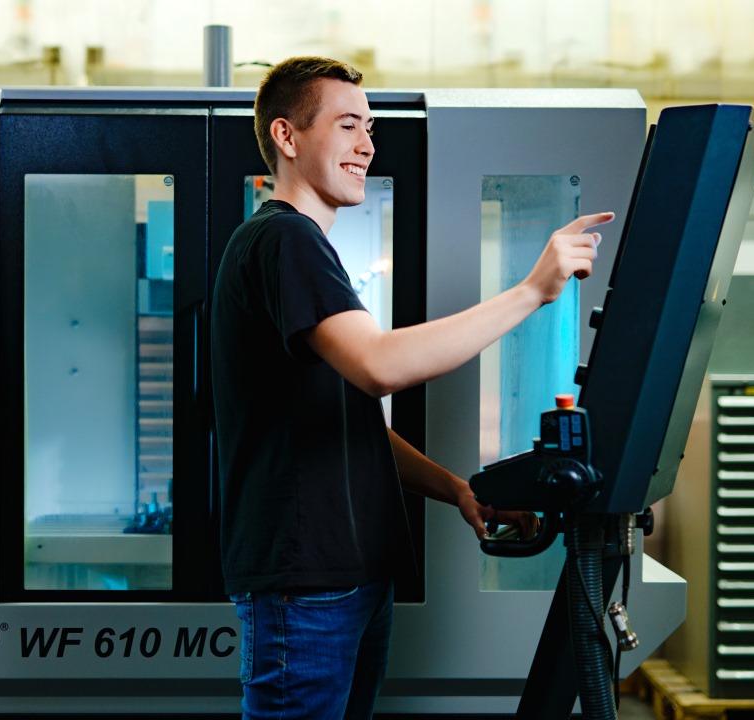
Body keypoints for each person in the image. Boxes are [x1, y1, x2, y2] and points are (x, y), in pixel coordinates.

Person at [209, 56, 615, 720]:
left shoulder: (301, 247)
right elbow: (380, 367)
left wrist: (457, 489)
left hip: (348, 579)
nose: (367, 144)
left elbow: (353, 420)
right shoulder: (284, 239)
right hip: (305, 586)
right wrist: (530, 292)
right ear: (287, 137)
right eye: (347, 126)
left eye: (370, 127)